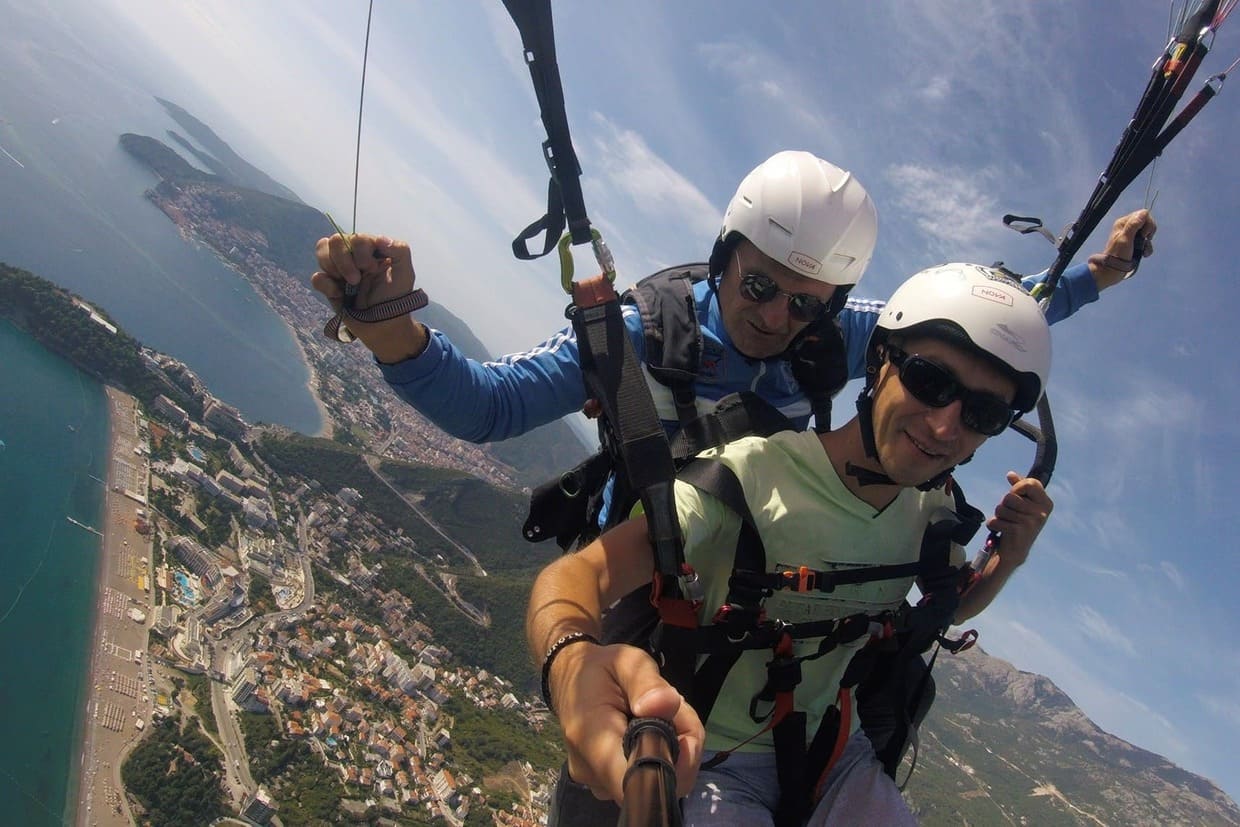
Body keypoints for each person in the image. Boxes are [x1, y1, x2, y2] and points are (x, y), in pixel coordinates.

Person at [525, 262, 1056, 825]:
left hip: (834, 755)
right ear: (879, 364)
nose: (946, 427)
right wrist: (570, 665)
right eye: (931, 381)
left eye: (982, 413)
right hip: (708, 758)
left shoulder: (935, 511)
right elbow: (581, 577)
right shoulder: (753, 476)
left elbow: (951, 605)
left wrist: (1009, 557)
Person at [311, 151, 1153, 454]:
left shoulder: (849, 337)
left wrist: (1101, 276)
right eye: (759, 286)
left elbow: (984, 320)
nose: (781, 318)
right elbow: (491, 407)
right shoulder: (648, 333)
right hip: (645, 567)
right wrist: (389, 322)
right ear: (722, 262)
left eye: (808, 305)